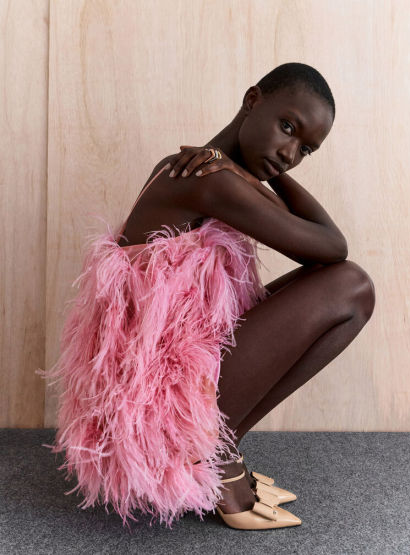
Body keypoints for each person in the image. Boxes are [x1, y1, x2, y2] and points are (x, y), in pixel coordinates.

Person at [38, 63, 375, 531]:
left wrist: (264, 172)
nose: (289, 153)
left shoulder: (217, 172)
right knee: (352, 286)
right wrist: (254, 173)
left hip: (173, 384)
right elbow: (333, 248)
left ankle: (219, 449)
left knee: (349, 295)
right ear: (252, 100)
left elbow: (325, 247)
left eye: (305, 149)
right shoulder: (207, 179)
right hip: (159, 405)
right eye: (287, 127)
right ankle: (214, 457)